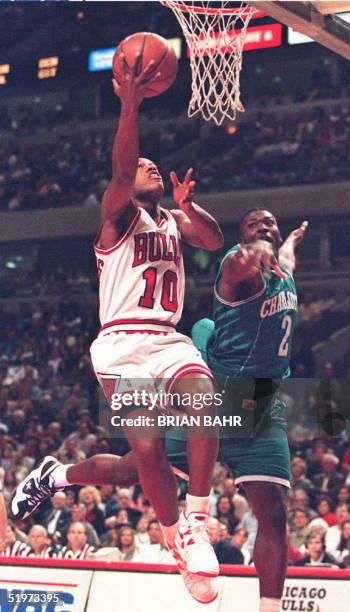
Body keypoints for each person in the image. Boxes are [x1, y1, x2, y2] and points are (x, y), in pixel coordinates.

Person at [13, 208, 305, 611]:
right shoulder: (237, 266)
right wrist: (256, 246)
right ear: (243, 235)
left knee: (273, 510)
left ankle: (270, 609)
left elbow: (283, 258)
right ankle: (57, 474)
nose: (264, 229)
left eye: (271, 223)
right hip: (221, 402)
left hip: (263, 410)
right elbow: (244, 259)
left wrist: (289, 245)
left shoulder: (283, 271)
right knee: (136, 467)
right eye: (254, 225)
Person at [12, 51, 224, 605]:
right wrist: (129, 107)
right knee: (145, 457)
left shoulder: (174, 223)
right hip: (124, 345)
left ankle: (192, 525)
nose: (150, 168)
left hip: (168, 340)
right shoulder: (117, 216)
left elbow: (213, 241)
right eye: (144, 167)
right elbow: (121, 167)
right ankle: (159, 524)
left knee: (205, 401)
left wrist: (189, 206)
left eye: (155, 165)